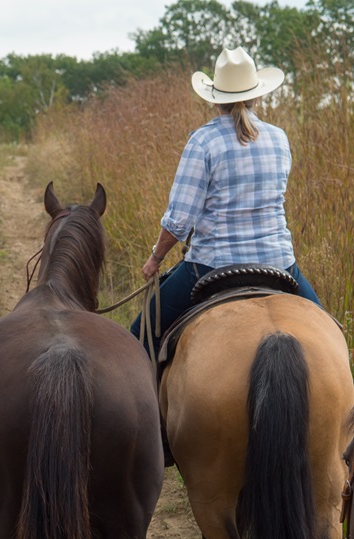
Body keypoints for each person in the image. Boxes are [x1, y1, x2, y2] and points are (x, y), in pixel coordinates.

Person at [131, 46, 321, 359]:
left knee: (139, 337)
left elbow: (179, 220)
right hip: (278, 262)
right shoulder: (279, 138)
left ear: (215, 98)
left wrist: (155, 259)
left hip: (211, 266)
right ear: (256, 96)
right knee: (329, 331)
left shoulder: (203, 141)